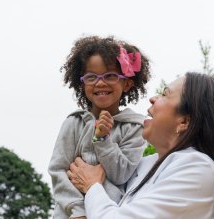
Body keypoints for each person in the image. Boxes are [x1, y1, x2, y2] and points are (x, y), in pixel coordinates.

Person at [68, 72, 214, 219]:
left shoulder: (198, 169)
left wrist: (92, 186)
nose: (153, 98)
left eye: (165, 94)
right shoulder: (145, 165)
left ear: (184, 122)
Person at [48, 35, 151, 219]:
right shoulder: (73, 123)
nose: (100, 82)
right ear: (82, 84)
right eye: (91, 77)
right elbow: (58, 170)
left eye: (110, 76)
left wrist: (103, 139)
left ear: (126, 83)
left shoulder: (135, 127)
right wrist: (78, 211)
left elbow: (121, 174)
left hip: (109, 213)